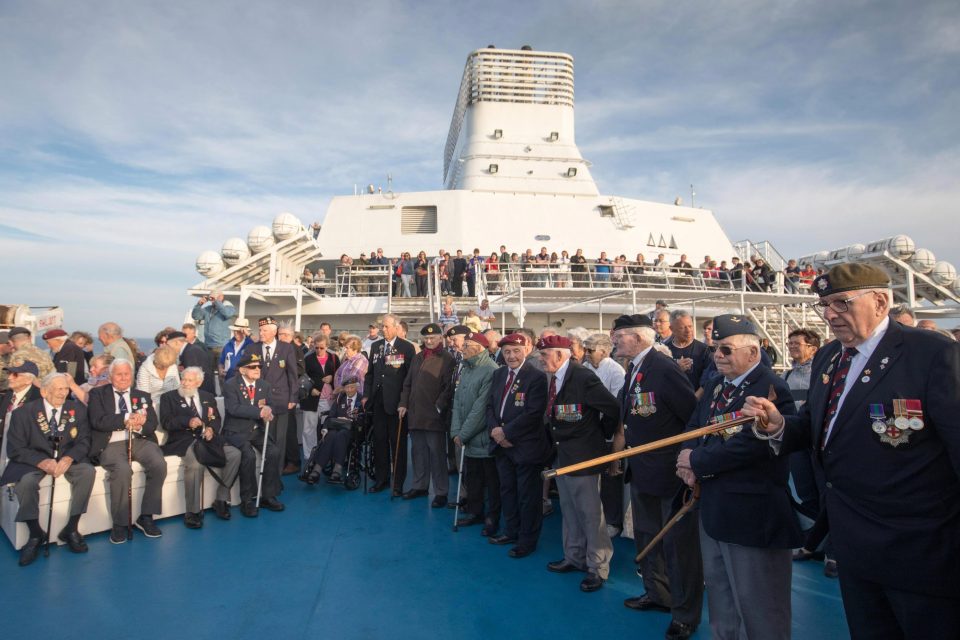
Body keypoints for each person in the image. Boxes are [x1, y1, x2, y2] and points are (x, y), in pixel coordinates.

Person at [745, 263, 960, 639]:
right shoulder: (830, 357)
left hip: (920, 552)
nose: (829, 314)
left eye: (841, 303)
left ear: (880, 302)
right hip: (854, 547)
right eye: (824, 305)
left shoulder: (930, 353)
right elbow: (817, 426)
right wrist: (779, 425)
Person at [675, 315, 799, 640]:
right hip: (715, 507)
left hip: (751, 514)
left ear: (753, 353)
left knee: (760, 607)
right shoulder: (717, 384)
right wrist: (687, 460)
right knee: (721, 595)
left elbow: (751, 445)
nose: (718, 355)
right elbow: (695, 425)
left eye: (727, 349)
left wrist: (696, 460)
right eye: (716, 348)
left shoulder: (771, 388)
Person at [612, 315, 702, 640]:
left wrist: (688, 462)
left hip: (669, 473)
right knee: (647, 538)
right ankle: (657, 594)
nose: (615, 340)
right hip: (641, 470)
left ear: (638, 338)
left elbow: (693, 419)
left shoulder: (663, 369)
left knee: (678, 547)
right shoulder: (634, 370)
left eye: (620, 335)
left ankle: (684, 615)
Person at [540, 334, 619, 592]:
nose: (541, 360)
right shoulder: (554, 378)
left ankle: (598, 567)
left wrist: (597, 437)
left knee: (590, 513)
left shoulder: (582, 377)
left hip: (583, 457)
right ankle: (573, 556)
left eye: (545, 355)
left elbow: (613, 408)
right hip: (562, 456)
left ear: (561, 355)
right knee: (569, 509)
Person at [0, 372, 95, 565]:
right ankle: (36, 534)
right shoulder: (23, 413)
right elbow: (15, 449)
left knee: (88, 472)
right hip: (34, 459)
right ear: (44, 392)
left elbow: (84, 441)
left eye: (66, 389)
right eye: (58, 389)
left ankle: (71, 528)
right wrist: (41, 462)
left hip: (66, 458)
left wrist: (69, 457)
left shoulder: (77, 409)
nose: (63, 393)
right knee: (25, 483)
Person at [87, 359, 168, 543]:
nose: (123, 378)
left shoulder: (142, 396)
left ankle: (146, 516)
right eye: (119, 374)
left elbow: (151, 424)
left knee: (158, 464)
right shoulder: (98, 394)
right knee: (123, 470)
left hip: (138, 440)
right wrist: (125, 418)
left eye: (127, 374)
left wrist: (139, 425)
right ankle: (120, 523)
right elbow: (97, 421)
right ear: (110, 376)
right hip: (110, 443)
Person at [485, 333, 550, 558]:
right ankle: (510, 531)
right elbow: (490, 406)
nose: (511, 356)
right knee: (508, 491)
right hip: (502, 445)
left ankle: (527, 540)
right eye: (507, 352)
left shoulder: (537, 377)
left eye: (515, 351)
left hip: (525, 447)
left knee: (527, 496)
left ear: (527, 351)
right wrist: (496, 432)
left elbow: (533, 413)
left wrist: (506, 431)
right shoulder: (498, 374)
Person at [160, 367, 239, 528]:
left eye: (189, 380)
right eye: (183, 379)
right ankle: (193, 511)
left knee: (235, 454)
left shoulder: (208, 397)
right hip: (183, 441)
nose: (185, 383)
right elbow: (166, 423)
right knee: (195, 465)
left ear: (199, 382)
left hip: (207, 439)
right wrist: (186, 421)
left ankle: (222, 499)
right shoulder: (168, 398)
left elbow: (215, 418)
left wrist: (211, 429)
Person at [398, 324, 456, 506]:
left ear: (440, 338)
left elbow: (449, 387)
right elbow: (408, 384)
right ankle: (420, 486)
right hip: (415, 414)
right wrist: (403, 403)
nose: (429, 341)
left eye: (433, 338)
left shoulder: (447, 359)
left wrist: (439, 407)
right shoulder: (417, 358)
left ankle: (441, 492)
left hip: (434, 417)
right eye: (426, 338)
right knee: (418, 452)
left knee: (437, 455)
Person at [221, 354, 284, 517]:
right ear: (242, 370)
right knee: (248, 455)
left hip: (257, 429)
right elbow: (233, 408)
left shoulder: (264, 385)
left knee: (273, 452)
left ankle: (268, 496)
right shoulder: (230, 385)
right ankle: (247, 500)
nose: (257, 370)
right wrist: (259, 411)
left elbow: (270, 404)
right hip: (237, 430)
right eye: (253, 367)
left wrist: (269, 411)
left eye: (259, 367)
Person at [451, 332, 500, 534]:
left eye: (467, 345)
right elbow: (458, 401)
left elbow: (481, 409)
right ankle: (475, 512)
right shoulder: (468, 368)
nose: (462, 348)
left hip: (483, 439)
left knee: (492, 481)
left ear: (480, 348)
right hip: (468, 439)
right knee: (473, 478)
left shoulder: (490, 370)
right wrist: (455, 430)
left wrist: (463, 434)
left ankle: (493, 517)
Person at [363, 314, 417, 495]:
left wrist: (405, 402)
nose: (383, 330)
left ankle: (397, 483)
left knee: (398, 445)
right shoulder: (376, 346)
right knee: (379, 442)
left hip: (397, 405)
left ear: (396, 327)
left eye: (386, 327)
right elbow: (370, 374)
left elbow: (409, 379)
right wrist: (366, 395)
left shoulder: (406, 348)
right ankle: (381, 479)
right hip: (377, 403)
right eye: (382, 327)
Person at [581, 333, 627, 537]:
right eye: (585, 349)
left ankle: (613, 521)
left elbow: (616, 405)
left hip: (609, 430)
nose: (586, 354)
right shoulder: (586, 368)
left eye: (590, 350)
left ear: (604, 351)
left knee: (611, 478)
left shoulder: (616, 371)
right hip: (590, 431)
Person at [248, 317, 300, 489]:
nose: (260, 333)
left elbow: (293, 375)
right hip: (260, 402)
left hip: (281, 401)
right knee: (263, 439)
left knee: (279, 442)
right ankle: (262, 478)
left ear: (273, 331)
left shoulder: (286, 348)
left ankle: (274, 480)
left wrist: (293, 398)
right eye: (260, 330)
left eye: (263, 331)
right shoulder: (253, 348)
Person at [313, 378, 363, 482]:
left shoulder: (361, 399)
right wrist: (325, 428)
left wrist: (350, 420)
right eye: (347, 388)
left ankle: (337, 468)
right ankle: (317, 469)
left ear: (357, 387)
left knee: (341, 435)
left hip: (353, 430)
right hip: (337, 427)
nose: (349, 390)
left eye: (352, 387)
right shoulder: (340, 398)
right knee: (330, 435)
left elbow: (364, 419)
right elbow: (331, 415)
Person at [301, 334, 340, 467]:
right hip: (311, 398)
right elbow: (302, 377)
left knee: (326, 429)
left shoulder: (334, 358)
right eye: (316, 347)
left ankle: (325, 455)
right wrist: (310, 388)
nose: (318, 350)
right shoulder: (308, 358)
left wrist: (332, 377)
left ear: (327, 346)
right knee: (308, 429)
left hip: (328, 399)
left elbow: (340, 375)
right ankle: (308, 456)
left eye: (321, 347)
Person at [277, 323, 307, 474]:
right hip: (276, 395)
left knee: (289, 429)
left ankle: (294, 461)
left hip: (289, 394)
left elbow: (300, 370)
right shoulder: (277, 347)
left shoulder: (294, 349)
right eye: (280, 334)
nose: (282, 337)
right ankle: (281, 461)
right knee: (279, 431)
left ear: (292, 336)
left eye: (285, 335)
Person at [665, 310, 712, 390]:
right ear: (672, 329)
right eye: (682, 328)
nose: (688, 331)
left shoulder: (704, 350)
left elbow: (709, 379)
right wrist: (676, 369)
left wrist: (695, 398)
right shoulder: (664, 350)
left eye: (690, 326)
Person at [135, 345, 181, 415]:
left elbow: (177, 387)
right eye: (163, 365)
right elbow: (143, 394)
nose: (166, 367)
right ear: (156, 360)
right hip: (150, 407)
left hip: (170, 406)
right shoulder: (145, 369)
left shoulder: (172, 366)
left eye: (168, 365)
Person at [167, 331, 215, 396]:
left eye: (169, 345)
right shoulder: (190, 350)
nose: (168, 348)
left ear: (177, 342)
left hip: (202, 392)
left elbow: (193, 376)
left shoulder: (190, 352)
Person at [191, 291, 237, 359]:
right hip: (208, 345)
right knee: (208, 369)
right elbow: (195, 316)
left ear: (221, 297)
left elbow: (228, 314)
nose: (212, 301)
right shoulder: (208, 309)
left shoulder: (228, 307)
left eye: (213, 298)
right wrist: (199, 305)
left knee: (220, 368)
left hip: (221, 346)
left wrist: (216, 301)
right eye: (211, 298)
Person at [220, 318, 253, 382]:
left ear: (244, 332)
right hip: (228, 381)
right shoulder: (228, 345)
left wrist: (249, 334)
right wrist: (221, 369)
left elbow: (260, 343)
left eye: (238, 331)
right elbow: (221, 362)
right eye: (234, 330)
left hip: (244, 381)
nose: (235, 333)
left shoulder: (251, 344)